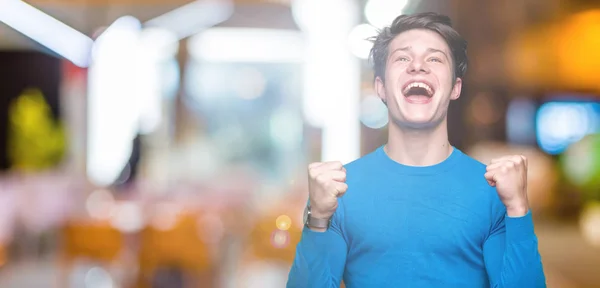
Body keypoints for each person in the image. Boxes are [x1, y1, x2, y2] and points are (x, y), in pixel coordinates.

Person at [287, 12, 546, 288]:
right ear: (382, 88)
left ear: (455, 88)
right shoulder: (338, 192)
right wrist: (318, 218)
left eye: (434, 58)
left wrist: (518, 208)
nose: (418, 66)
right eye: (402, 58)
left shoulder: (493, 190)